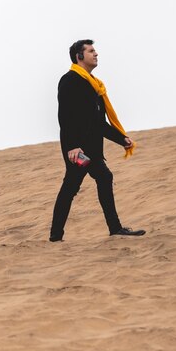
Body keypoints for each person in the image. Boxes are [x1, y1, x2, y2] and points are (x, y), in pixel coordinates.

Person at [49, 40, 145, 242]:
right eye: (91, 51)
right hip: (77, 150)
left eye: (95, 51)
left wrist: (122, 139)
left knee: (101, 178)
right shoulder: (69, 80)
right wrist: (72, 146)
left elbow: (98, 123)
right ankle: (56, 236)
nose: (96, 54)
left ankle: (114, 228)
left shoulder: (95, 86)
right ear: (79, 56)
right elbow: (64, 117)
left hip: (92, 149)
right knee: (71, 187)